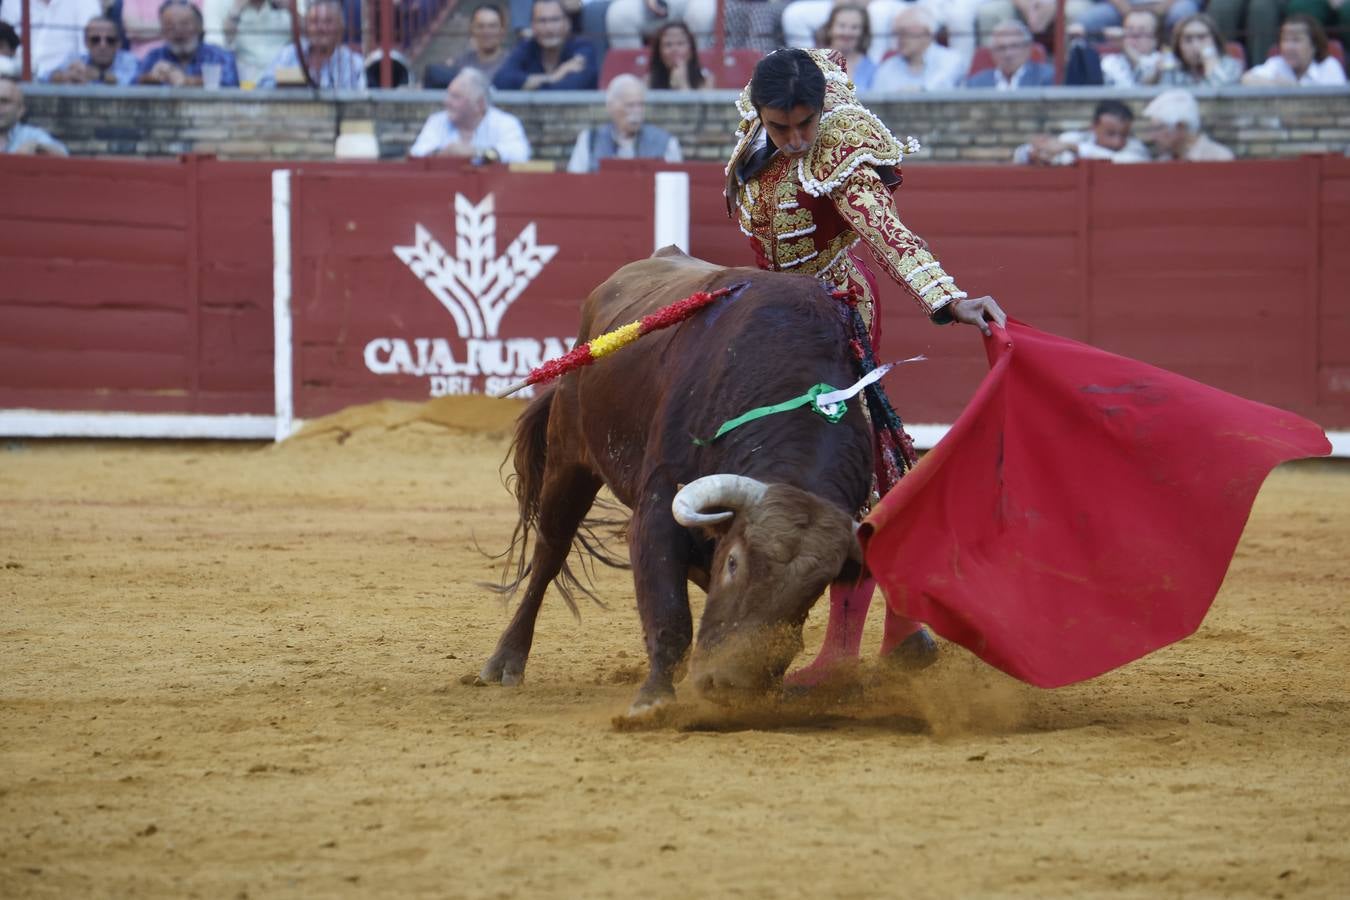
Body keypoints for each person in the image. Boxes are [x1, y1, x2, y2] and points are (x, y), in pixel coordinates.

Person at [725, 48, 1005, 680]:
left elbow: (890, 236)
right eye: (781, 128)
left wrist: (948, 299)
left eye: (806, 124)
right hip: (775, 314)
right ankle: (904, 632)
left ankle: (847, 650)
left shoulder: (842, 155)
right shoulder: (756, 120)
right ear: (760, 112)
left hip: (834, 314)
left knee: (850, 475)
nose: (796, 141)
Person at [408, 67, 530, 161]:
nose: (446, 102)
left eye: (456, 97)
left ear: (479, 104)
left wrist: (477, 153)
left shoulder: (506, 123)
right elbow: (417, 153)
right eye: (448, 94)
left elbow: (520, 154)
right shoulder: (437, 121)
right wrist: (442, 154)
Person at [566, 72, 681, 171]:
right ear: (610, 107)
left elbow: (676, 185)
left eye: (640, 105)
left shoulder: (666, 142)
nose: (637, 112)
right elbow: (575, 183)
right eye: (630, 105)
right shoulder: (589, 140)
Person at [493, 0, 598, 89]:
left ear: (568, 24)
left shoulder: (583, 48)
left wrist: (530, 84)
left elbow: (568, 89)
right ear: (532, 25)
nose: (548, 29)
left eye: (555, 20)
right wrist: (551, 77)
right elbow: (501, 80)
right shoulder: (527, 47)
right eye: (541, 21)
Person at [257, 0, 362, 88]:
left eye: (328, 22)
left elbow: (362, 106)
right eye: (314, 22)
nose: (321, 28)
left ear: (340, 28)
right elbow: (262, 89)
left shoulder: (353, 64)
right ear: (306, 27)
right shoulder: (288, 54)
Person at [1013, 98, 1151, 164]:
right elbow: (1019, 154)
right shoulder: (1076, 138)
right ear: (1094, 127)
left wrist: (1072, 148)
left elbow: (1122, 161)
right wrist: (1035, 152)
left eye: (1123, 135)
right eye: (1110, 134)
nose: (1117, 142)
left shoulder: (1136, 148)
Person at [135, 0, 240, 86]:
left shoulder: (219, 56)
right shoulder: (154, 57)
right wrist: (151, 78)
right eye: (170, 26)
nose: (178, 30)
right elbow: (131, 86)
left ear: (199, 27)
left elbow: (231, 84)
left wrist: (188, 81)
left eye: (184, 24)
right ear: (162, 31)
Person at [871, 4, 963, 91]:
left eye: (904, 32)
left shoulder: (951, 60)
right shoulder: (887, 68)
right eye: (896, 33)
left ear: (927, 33)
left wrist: (916, 92)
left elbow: (939, 88)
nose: (899, 39)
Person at [0, 0, 101, 78]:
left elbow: (87, 55)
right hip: (15, 81)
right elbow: (4, 49)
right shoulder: (12, 2)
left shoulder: (86, 2)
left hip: (64, 86)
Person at [1241, 14, 1348, 85]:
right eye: (1285, 40)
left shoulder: (1329, 66)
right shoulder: (1277, 63)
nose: (1288, 47)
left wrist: (1295, 89)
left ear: (1314, 45)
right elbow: (1246, 79)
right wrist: (1280, 85)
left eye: (1296, 40)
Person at [427, 3, 510, 88]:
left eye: (492, 26)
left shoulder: (511, 64)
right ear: (472, 29)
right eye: (480, 26)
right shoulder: (460, 64)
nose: (486, 32)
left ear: (502, 31)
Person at [1141, 88, 1235, 160]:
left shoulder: (1218, 157)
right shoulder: (1164, 161)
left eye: (1159, 128)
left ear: (1180, 127)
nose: (1152, 136)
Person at [46, 15, 140, 84]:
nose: (103, 45)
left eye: (110, 40)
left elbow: (129, 82)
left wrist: (99, 76)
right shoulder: (76, 59)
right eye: (95, 40)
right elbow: (44, 78)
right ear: (86, 42)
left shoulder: (129, 61)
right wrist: (64, 76)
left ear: (118, 44)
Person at [1157, 12, 1243, 85]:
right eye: (1188, 39)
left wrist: (1209, 60)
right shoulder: (1173, 70)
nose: (1196, 45)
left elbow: (1217, 96)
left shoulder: (1231, 65)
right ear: (1179, 45)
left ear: (1214, 40)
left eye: (1202, 37)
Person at [965, 18, 1055, 87]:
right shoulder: (976, 83)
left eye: (1014, 46)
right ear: (992, 53)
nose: (1008, 54)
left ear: (1027, 49)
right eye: (1001, 48)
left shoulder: (1046, 79)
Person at [222, 0, 291, 85]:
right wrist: (237, 8)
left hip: (280, 81)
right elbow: (227, 40)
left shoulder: (284, 10)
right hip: (247, 83)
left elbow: (307, 35)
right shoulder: (231, 7)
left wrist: (290, 8)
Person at [604, 0, 714, 50]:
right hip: (651, 5)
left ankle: (700, 74)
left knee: (703, 12)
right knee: (620, 13)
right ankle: (632, 84)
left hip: (692, 3)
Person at [1073, 0, 1200, 42]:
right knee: (1084, 22)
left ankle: (1181, 62)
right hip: (1122, 6)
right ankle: (1091, 68)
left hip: (1169, 5)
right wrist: (1124, 8)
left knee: (1183, 14)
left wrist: (1163, 7)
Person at [0, 75, 68, 154]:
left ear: (20, 110)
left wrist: (38, 146)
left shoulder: (30, 135)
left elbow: (63, 154)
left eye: (5, 101)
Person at [1100, 8, 1164, 86]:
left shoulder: (1161, 61)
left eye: (1141, 31)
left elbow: (1147, 79)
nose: (1134, 37)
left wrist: (1125, 46)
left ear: (1155, 39)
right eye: (1130, 30)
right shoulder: (1110, 62)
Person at [818, 3, 874, 90]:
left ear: (863, 32)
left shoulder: (871, 69)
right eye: (841, 26)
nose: (847, 32)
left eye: (854, 27)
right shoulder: (812, 63)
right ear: (830, 29)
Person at [648, 20, 714, 89]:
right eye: (668, 44)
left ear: (691, 50)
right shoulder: (648, 82)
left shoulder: (706, 81)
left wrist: (683, 84)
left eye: (680, 43)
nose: (674, 49)